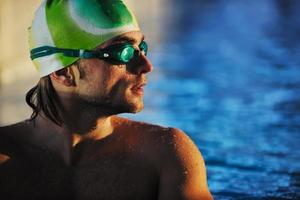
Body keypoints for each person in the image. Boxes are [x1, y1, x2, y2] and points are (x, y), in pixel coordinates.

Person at [0, 0, 213, 199]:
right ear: (63, 72)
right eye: (123, 52)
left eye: (141, 48)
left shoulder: (165, 157)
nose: (146, 65)